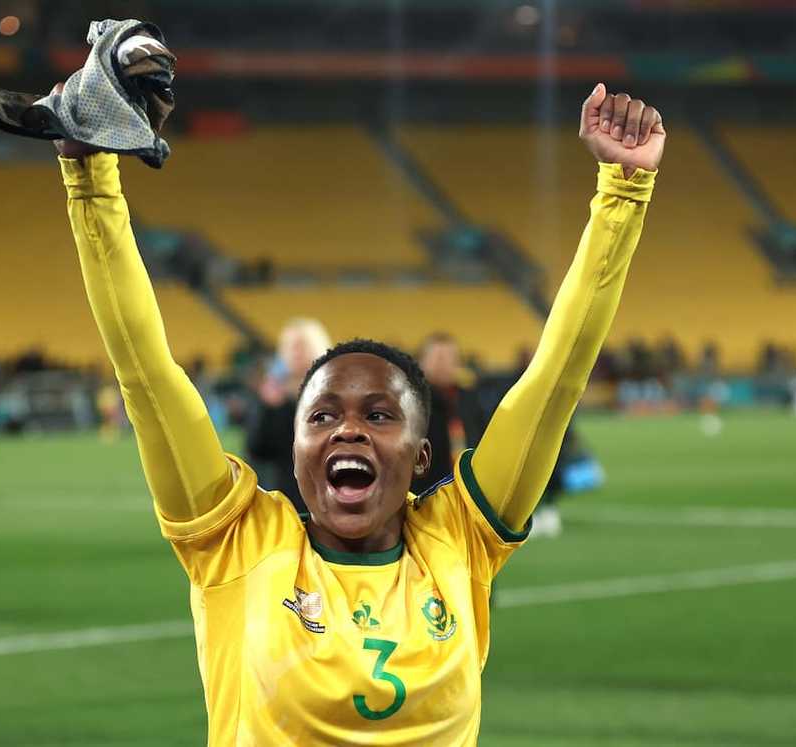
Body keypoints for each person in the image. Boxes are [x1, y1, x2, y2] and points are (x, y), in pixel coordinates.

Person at [57, 81, 663, 745]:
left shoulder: (458, 538)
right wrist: (90, 174)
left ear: (421, 452)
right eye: (320, 417)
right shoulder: (237, 538)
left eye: (379, 415)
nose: (347, 428)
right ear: (295, 450)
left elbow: (558, 375)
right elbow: (144, 372)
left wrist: (623, 191)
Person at [247, 317, 332, 511]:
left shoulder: (337, 392)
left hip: (330, 495)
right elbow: (257, 451)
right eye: (290, 347)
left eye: (302, 345)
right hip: (285, 498)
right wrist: (269, 410)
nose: (296, 353)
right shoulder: (272, 395)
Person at [411, 332, 482, 496]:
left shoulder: (469, 399)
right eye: (436, 357)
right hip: (425, 493)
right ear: (421, 362)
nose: (442, 364)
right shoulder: (412, 402)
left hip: (466, 491)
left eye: (449, 358)